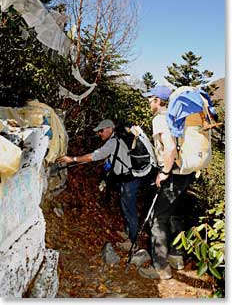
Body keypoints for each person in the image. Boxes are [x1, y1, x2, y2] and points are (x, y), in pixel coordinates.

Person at [57, 119, 155, 251]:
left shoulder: (114, 141)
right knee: (126, 206)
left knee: (129, 209)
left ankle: (132, 241)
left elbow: (93, 156)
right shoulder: (119, 139)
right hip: (129, 178)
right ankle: (129, 232)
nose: (99, 134)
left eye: (101, 131)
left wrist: (72, 159)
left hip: (130, 180)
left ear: (109, 129)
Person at [138, 86, 195, 280]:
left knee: (158, 219)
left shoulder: (160, 119)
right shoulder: (177, 117)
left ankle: (161, 268)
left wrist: (163, 172)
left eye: (150, 99)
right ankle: (176, 257)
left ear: (157, 100)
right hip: (185, 172)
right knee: (175, 214)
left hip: (172, 173)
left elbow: (169, 148)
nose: (148, 102)